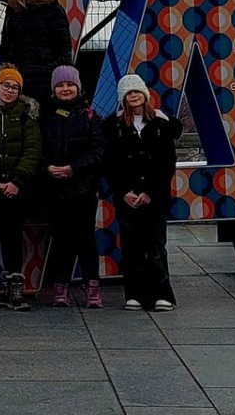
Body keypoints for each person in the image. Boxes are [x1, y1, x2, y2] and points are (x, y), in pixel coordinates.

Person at [103, 73, 177, 312]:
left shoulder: (161, 123)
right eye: (128, 93)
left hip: (155, 197)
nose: (133, 96)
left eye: (137, 91)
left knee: (155, 245)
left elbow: (167, 163)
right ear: (123, 98)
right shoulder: (114, 126)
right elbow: (110, 163)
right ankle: (134, 293)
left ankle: (162, 294)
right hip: (127, 197)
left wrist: (150, 192)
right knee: (131, 246)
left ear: (145, 94)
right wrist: (123, 191)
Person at [0, 64, 43, 310]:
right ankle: (5, 288)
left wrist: (16, 181)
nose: (10, 91)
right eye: (6, 85)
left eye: (15, 87)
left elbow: (32, 151)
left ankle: (16, 289)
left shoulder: (27, 115)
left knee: (14, 232)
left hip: (19, 186)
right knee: (4, 232)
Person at [42, 64, 105, 308]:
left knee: (86, 238)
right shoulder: (45, 117)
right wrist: (47, 167)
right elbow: (38, 149)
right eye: (60, 85)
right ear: (53, 89)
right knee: (61, 239)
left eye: (70, 84)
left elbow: (98, 151)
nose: (65, 89)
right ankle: (61, 286)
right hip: (55, 188)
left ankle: (92, 286)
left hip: (84, 188)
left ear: (78, 87)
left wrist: (74, 168)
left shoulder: (90, 116)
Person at [0, 0, 72, 107]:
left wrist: (57, 77)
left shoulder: (54, 10)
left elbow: (63, 48)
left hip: (46, 80)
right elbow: (6, 42)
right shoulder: (13, 9)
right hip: (18, 78)